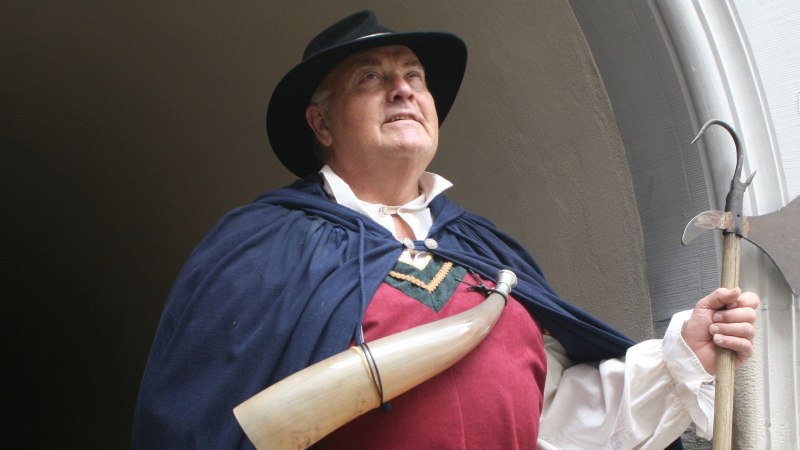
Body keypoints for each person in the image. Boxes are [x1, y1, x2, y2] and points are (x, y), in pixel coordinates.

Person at [132, 10, 759, 449]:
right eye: (371, 78)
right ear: (321, 125)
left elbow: (557, 420)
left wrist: (684, 355)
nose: (403, 89)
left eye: (415, 77)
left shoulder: (485, 252)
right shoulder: (262, 249)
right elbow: (200, 424)